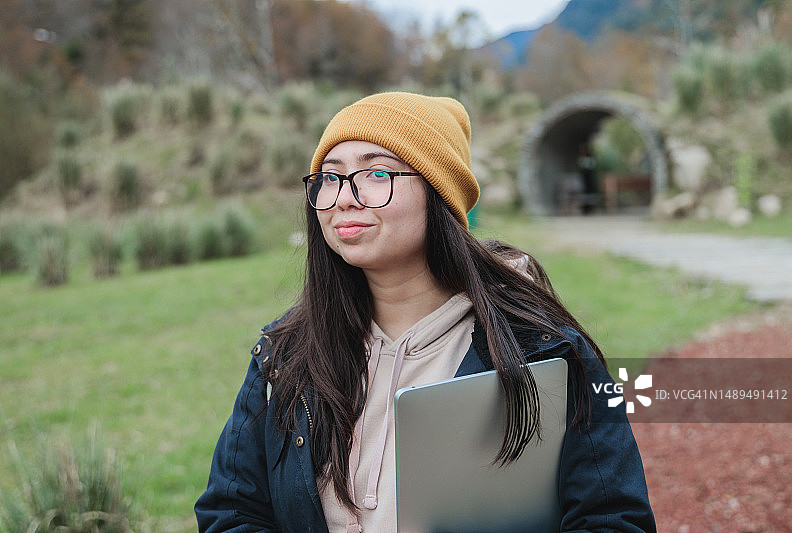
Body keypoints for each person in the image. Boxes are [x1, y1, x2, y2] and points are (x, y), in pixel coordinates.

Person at [195, 92, 656, 532]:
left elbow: (612, 519)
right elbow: (231, 511)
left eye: (377, 174)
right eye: (329, 177)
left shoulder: (543, 350)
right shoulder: (284, 355)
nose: (344, 197)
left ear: (439, 194)